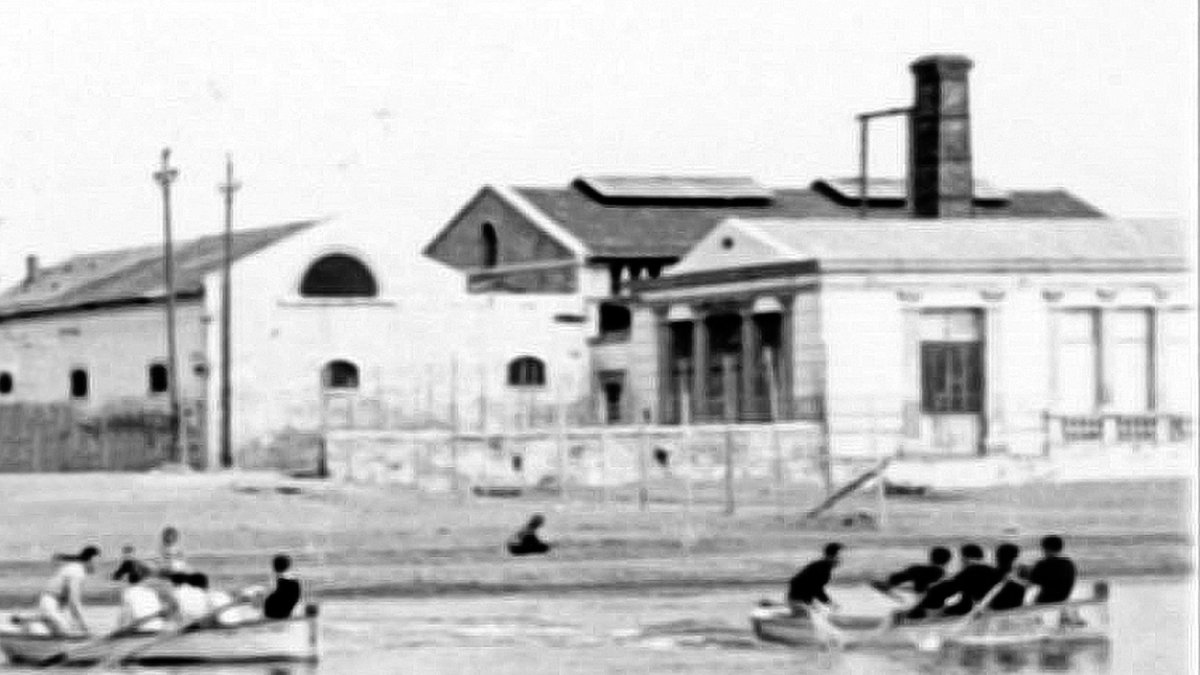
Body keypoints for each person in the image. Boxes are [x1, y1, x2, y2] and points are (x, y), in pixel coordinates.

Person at [37, 545, 100, 636]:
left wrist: (82, 626)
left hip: (49, 604)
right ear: (89, 561)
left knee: (63, 630)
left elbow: (72, 605)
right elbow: (74, 603)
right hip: (49, 604)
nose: (98, 566)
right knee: (65, 631)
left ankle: (35, 622)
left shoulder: (76, 568)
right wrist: (85, 628)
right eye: (97, 562)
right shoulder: (77, 572)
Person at [872, 546, 952, 597]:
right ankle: (887, 584)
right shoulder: (941, 573)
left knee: (908, 573)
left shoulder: (920, 569)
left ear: (931, 558)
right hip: (918, 588)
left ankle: (886, 584)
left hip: (913, 588)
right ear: (947, 561)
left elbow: (920, 586)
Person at [1023, 535, 1077, 604]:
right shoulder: (1069, 563)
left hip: (1044, 602)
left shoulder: (1043, 563)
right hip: (1063, 601)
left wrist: (1024, 570)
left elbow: (1031, 581)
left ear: (1045, 548)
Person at [787, 542, 842, 609]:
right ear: (830, 556)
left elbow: (814, 588)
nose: (839, 559)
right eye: (838, 556)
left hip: (801, 599)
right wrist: (829, 603)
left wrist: (827, 603)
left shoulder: (822, 566)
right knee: (812, 616)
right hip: (798, 600)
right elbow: (816, 589)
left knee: (816, 612)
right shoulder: (822, 569)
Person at [116, 564, 165, 632]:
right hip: (159, 628)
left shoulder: (128, 592)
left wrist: (119, 630)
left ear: (128, 580)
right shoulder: (152, 592)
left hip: (142, 630)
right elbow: (161, 612)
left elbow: (124, 616)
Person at [988, 543, 1028, 611]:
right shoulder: (1021, 578)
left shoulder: (990, 575)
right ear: (1015, 558)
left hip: (995, 613)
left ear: (997, 557)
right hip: (1017, 612)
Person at [263, 554, 301, 620]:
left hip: (273, 615)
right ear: (288, 566)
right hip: (284, 614)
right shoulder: (294, 583)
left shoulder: (279, 582)